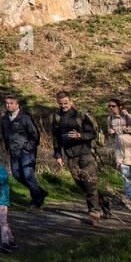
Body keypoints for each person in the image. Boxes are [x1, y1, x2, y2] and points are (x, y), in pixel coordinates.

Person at [51, 91, 113, 224]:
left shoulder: (81, 115)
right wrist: (57, 154)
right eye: (60, 104)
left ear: (71, 101)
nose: (63, 106)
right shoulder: (57, 118)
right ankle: (104, 200)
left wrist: (80, 136)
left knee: (90, 184)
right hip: (70, 156)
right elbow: (56, 138)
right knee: (82, 184)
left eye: (66, 103)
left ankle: (94, 214)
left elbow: (93, 134)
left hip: (86, 154)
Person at [0, 96, 46, 210]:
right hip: (13, 151)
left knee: (28, 175)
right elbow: (5, 135)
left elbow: (35, 134)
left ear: (17, 105)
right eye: (6, 103)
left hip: (27, 152)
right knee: (16, 175)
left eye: (11, 103)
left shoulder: (24, 117)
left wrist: (28, 147)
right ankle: (39, 192)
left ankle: (36, 202)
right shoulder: (5, 119)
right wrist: (8, 147)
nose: (8, 105)